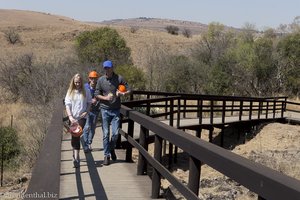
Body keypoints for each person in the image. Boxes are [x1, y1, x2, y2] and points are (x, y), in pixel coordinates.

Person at [95, 60, 131, 165]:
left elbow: (130, 89)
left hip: (115, 110)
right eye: (105, 68)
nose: (107, 69)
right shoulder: (101, 80)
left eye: (109, 67)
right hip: (104, 109)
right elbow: (97, 94)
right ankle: (107, 155)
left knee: (115, 134)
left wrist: (123, 93)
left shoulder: (119, 78)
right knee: (106, 134)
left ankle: (111, 148)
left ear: (112, 68)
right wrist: (105, 97)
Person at [65, 73, 92, 168]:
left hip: (82, 117)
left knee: (77, 134)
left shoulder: (86, 91)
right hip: (72, 117)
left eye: (79, 82)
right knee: (74, 137)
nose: (77, 84)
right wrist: (70, 117)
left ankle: (76, 158)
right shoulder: (70, 92)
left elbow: (89, 102)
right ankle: (75, 153)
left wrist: (86, 112)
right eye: (76, 82)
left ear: (82, 82)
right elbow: (67, 105)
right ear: (73, 82)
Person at [82, 70, 100, 153]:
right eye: (91, 78)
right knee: (86, 127)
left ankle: (89, 143)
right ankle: (85, 145)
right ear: (89, 79)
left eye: (95, 78)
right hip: (87, 110)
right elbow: (81, 97)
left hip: (96, 110)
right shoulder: (85, 87)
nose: (93, 80)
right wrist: (89, 100)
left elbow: (103, 96)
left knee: (93, 128)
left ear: (97, 79)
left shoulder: (99, 87)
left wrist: (98, 100)